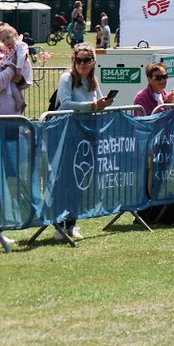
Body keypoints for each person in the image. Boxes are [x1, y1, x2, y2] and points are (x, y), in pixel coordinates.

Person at [54, 44, 113, 241]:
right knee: (64, 181)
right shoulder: (67, 78)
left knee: (79, 180)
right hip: (65, 135)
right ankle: (58, 225)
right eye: (78, 60)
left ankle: (72, 224)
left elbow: (98, 104)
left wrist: (102, 104)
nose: (81, 64)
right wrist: (92, 105)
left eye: (86, 60)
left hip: (86, 136)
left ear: (93, 62)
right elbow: (66, 103)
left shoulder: (93, 81)